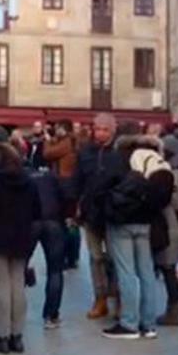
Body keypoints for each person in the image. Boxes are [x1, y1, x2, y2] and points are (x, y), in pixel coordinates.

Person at [100, 135, 173, 340]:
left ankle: (129, 323)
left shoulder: (120, 161)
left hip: (122, 221)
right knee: (147, 272)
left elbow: (102, 186)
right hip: (147, 221)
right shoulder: (155, 159)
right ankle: (148, 324)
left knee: (126, 272)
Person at [0, 143, 41, 355]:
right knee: (18, 283)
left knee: (2, 285)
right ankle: (18, 335)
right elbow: (37, 210)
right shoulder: (29, 180)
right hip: (22, 236)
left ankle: (3, 336)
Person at [71, 113, 121, 320]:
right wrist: (75, 206)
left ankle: (119, 298)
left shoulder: (120, 152)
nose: (99, 133)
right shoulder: (86, 152)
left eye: (104, 129)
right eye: (97, 128)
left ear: (112, 130)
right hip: (91, 213)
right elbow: (78, 180)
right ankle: (100, 298)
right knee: (95, 258)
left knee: (115, 258)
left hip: (113, 213)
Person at [156, 140, 178, 327]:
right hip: (168, 226)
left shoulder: (177, 175)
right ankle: (173, 308)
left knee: (169, 270)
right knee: (166, 268)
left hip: (171, 227)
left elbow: (175, 202)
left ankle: (175, 310)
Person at [29, 167, 66, 329]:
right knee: (55, 270)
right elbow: (64, 196)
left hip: (30, 222)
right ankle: (51, 315)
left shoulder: (24, 176)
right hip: (53, 220)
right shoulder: (52, 176)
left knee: (17, 265)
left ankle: (12, 307)